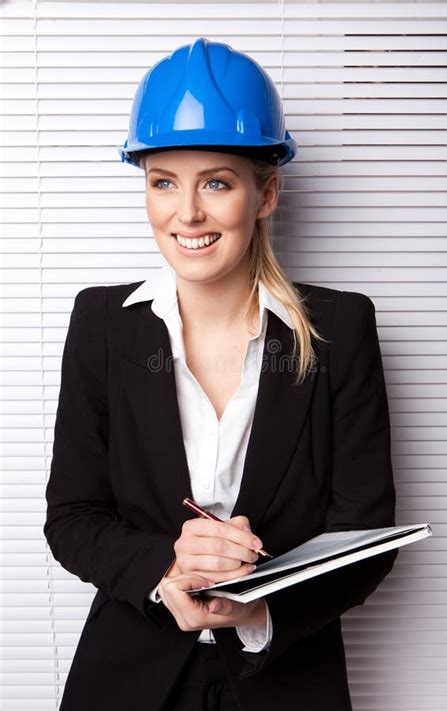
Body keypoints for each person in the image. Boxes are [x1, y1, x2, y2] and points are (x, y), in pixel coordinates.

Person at [43, 37, 398, 711]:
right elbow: (73, 516)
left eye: (216, 182)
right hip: (131, 680)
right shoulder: (103, 326)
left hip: (285, 680)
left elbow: (365, 539)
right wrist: (165, 570)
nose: (188, 214)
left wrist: (259, 613)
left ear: (265, 194)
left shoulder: (340, 331)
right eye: (162, 182)